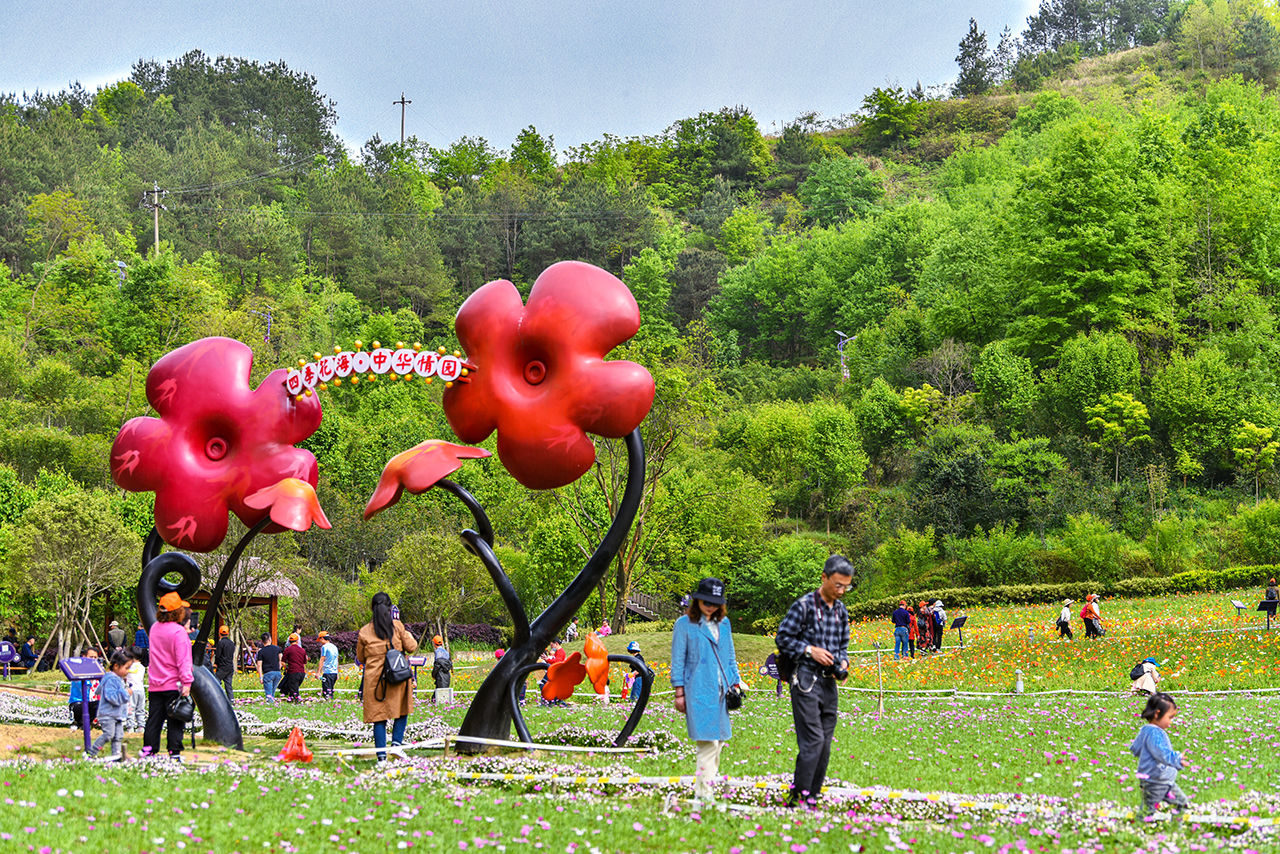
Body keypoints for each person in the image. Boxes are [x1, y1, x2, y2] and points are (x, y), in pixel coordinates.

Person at [776, 555, 852, 808]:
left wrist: (842, 663)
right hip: (805, 679)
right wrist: (810, 651)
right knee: (813, 741)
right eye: (838, 585)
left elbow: (843, 647)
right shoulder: (804, 606)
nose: (841, 591)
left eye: (846, 586)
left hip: (829, 683)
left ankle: (812, 797)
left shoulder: (842, 611)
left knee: (825, 744)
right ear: (824, 578)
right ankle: (799, 798)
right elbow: (783, 638)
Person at [670, 577, 742, 803]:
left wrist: (736, 683)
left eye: (715, 602)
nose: (710, 606)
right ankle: (703, 795)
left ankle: (707, 785)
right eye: (706, 601)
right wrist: (679, 692)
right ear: (697, 600)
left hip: (722, 690)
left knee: (718, 742)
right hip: (698, 690)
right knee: (707, 743)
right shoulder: (684, 624)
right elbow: (678, 660)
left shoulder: (725, 624)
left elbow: (730, 656)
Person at [356, 591, 419, 762]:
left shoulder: (364, 632)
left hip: (374, 682)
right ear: (390, 607)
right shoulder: (397, 626)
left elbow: (361, 658)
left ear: (372, 608)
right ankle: (397, 745)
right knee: (402, 710)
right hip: (397, 676)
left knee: (379, 718)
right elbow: (412, 646)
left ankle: (382, 759)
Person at [144, 592, 193, 760]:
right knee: (175, 720)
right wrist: (187, 682)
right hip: (174, 684)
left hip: (155, 684)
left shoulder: (154, 628)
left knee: (154, 721)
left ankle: (149, 752)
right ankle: (174, 753)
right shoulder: (179, 632)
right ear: (177, 611)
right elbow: (183, 660)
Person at [1129, 693, 1189, 819]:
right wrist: (1176, 759)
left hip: (1162, 781)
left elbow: (1135, 748)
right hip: (1156, 781)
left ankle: (1173, 831)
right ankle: (1140, 830)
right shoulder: (1155, 733)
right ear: (1157, 714)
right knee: (1148, 811)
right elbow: (1160, 752)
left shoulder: (1145, 730)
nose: (1171, 722)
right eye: (1170, 717)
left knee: (1180, 803)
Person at [86, 651, 132, 761]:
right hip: (108, 714)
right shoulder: (111, 679)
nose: (128, 671)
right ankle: (91, 753)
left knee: (118, 736)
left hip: (117, 714)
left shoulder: (118, 679)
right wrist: (126, 694)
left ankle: (116, 755)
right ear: (116, 666)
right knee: (108, 735)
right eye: (126, 668)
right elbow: (112, 697)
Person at [67, 649, 101, 729]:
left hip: (92, 703)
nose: (93, 659)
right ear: (84, 657)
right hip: (78, 703)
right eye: (91, 657)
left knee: (101, 704)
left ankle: (87, 723)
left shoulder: (99, 671)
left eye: (95, 657)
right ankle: (81, 724)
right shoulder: (78, 670)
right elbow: (82, 686)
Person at [125, 646, 147, 733]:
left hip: (131, 690)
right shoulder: (142, 667)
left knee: (130, 708)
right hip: (141, 690)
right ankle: (141, 726)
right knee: (140, 708)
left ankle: (130, 727)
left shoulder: (128, 667)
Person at [280, 633, 307, 701]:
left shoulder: (288, 649)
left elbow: (283, 662)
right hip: (302, 673)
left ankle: (296, 703)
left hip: (293, 672)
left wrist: (286, 668)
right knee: (294, 688)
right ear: (297, 641)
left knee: (294, 691)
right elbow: (304, 662)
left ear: (289, 641)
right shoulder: (302, 650)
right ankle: (291, 701)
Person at [255, 633, 283, 702]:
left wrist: (261, 677)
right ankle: (273, 707)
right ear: (270, 639)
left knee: (269, 695)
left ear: (262, 641)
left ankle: (270, 707)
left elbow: (259, 665)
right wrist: (279, 667)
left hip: (268, 674)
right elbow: (281, 659)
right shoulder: (277, 649)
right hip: (277, 673)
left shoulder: (261, 652)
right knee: (272, 693)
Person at [214, 626, 236, 700]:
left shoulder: (220, 643)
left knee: (215, 680)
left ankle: (217, 698)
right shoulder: (232, 643)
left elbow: (218, 655)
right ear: (228, 633)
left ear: (219, 634)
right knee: (228, 684)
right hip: (230, 666)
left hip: (222, 667)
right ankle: (231, 699)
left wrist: (216, 663)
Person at [316, 631, 339, 699]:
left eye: (319, 639)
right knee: (331, 691)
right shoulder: (335, 647)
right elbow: (337, 660)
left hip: (327, 672)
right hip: (334, 673)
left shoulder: (324, 647)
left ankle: (329, 706)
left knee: (326, 693)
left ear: (322, 638)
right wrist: (337, 672)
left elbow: (322, 659)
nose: (319, 642)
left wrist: (318, 672)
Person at [430, 635, 453, 702]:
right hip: (447, 675)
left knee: (439, 695)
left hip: (440, 675)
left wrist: (433, 675)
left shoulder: (437, 653)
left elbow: (437, 666)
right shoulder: (446, 652)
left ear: (434, 643)